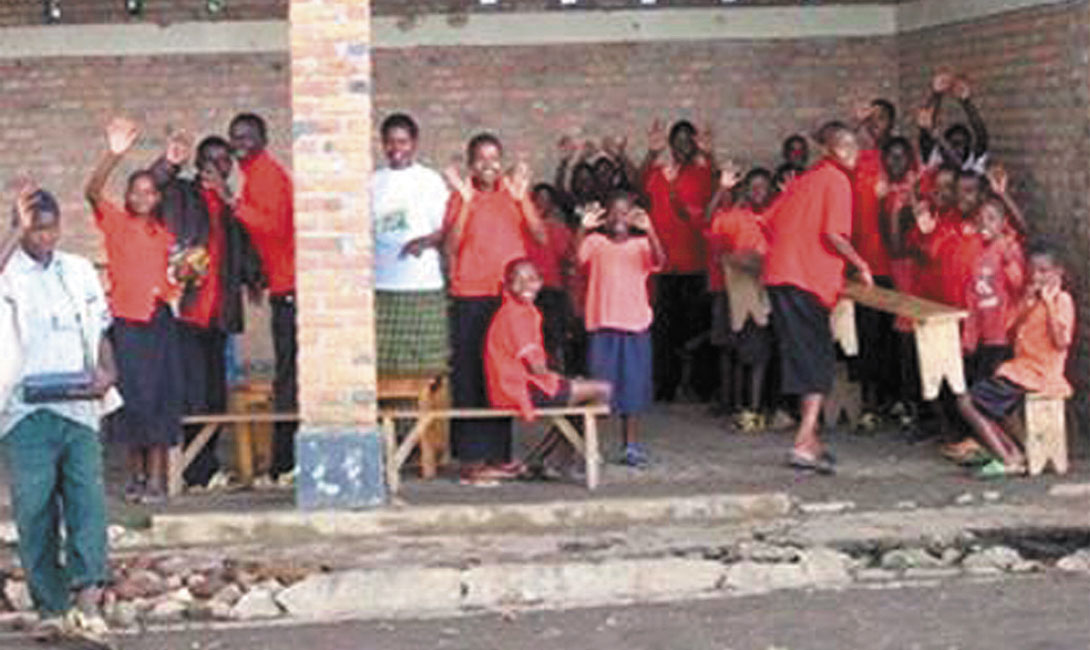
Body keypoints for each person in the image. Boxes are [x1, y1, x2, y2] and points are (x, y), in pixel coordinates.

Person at [1, 187, 117, 648]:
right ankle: (51, 607)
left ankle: (87, 602)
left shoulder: (80, 270)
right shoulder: (9, 272)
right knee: (34, 509)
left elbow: (101, 329)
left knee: (88, 502)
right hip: (25, 411)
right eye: (37, 229)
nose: (46, 237)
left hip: (79, 406)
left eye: (52, 227)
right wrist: (15, 231)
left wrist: (108, 371)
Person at [150, 134, 262, 488]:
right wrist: (168, 162)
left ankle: (204, 466)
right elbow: (151, 186)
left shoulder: (231, 203)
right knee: (191, 393)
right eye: (210, 160)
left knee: (215, 394)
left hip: (220, 314)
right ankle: (192, 469)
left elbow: (245, 244)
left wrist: (255, 277)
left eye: (224, 160)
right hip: (185, 311)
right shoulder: (180, 194)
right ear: (198, 164)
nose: (217, 166)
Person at [763, 121, 873, 474]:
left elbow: (769, 221)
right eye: (847, 147)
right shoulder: (837, 181)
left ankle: (810, 438)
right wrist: (860, 265)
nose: (854, 155)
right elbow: (834, 235)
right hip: (805, 280)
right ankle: (803, 442)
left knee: (805, 358)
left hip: (780, 276)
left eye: (856, 147)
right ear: (831, 150)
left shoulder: (806, 180)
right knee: (818, 363)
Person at [85, 117, 182, 504]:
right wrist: (114, 153)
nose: (142, 196)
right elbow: (91, 191)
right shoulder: (116, 224)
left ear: (158, 197)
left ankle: (156, 481)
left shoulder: (166, 236)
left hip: (157, 323)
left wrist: (182, 278)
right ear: (128, 196)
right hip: (126, 323)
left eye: (149, 191)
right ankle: (136, 478)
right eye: (135, 190)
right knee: (130, 400)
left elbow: (172, 283)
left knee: (158, 400)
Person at [443, 132, 545, 484]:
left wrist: (522, 200)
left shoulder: (512, 194)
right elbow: (451, 246)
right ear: (471, 164)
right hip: (471, 295)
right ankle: (471, 461)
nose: (489, 165)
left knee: (502, 375)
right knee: (471, 375)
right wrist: (468, 202)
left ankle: (499, 456)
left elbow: (540, 236)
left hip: (506, 298)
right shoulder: (461, 197)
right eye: (481, 159)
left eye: (494, 158)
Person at [482, 258, 611, 484]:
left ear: (541, 282)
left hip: (517, 385)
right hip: (518, 389)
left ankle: (551, 459)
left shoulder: (521, 310)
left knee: (580, 400)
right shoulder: (516, 314)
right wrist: (563, 380)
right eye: (517, 280)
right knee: (602, 390)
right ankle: (565, 457)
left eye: (531, 279)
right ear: (507, 285)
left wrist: (565, 382)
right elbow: (535, 367)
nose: (525, 286)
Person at [956, 240, 1073, 477]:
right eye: (1033, 272)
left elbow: (1061, 341)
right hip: (1021, 369)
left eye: (1043, 272)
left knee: (966, 402)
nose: (1037, 277)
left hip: (1040, 373)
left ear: (1058, 273)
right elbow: (1009, 330)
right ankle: (1023, 450)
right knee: (1002, 408)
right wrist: (1025, 304)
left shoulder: (1062, 301)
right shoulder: (1029, 300)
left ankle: (1006, 457)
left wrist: (1049, 304)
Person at [228, 112, 297, 484]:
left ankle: (284, 465)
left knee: (288, 379)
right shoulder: (255, 175)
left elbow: (274, 226)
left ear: (263, 139)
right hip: (280, 285)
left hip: (292, 289)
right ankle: (282, 463)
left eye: (247, 136)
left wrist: (233, 204)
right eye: (235, 137)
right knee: (285, 376)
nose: (240, 143)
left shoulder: (267, 174)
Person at [576, 191, 665, 467]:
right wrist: (582, 227)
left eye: (625, 212)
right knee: (600, 390)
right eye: (613, 212)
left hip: (635, 327)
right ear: (604, 216)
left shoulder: (641, 245)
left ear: (634, 217)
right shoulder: (595, 242)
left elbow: (661, 261)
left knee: (633, 391)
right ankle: (593, 447)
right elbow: (574, 258)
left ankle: (631, 445)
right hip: (603, 326)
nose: (619, 218)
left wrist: (650, 230)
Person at [641, 119, 716, 401]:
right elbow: (638, 185)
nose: (683, 146)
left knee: (697, 330)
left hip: (695, 264)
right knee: (664, 330)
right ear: (671, 144)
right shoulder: (659, 172)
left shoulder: (701, 172)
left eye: (689, 140)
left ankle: (701, 387)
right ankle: (666, 386)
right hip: (664, 264)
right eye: (679, 141)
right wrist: (650, 152)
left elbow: (719, 186)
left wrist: (709, 153)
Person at [372, 113, 451, 379]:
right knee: (386, 365)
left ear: (414, 143)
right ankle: (390, 422)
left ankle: (425, 422)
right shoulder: (373, 182)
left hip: (421, 285)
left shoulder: (429, 181)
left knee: (424, 366)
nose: (396, 149)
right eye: (390, 142)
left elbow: (446, 229)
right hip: (382, 285)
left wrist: (424, 241)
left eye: (403, 142)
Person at [707, 166, 774, 428]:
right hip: (739, 291)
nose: (758, 191)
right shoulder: (736, 216)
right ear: (745, 190)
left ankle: (758, 407)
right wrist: (722, 190)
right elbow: (710, 220)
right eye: (753, 186)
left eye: (763, 186)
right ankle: (742, 406)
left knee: (762, 352)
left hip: (769, 291)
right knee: (742, 350)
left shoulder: (776, 214)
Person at [852, 98, 901, 416]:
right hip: (865, 264)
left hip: (897, 269)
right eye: (870, 119)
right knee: (867, 336)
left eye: (880, 118)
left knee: (894, 338)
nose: (874, 124)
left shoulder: (901, 160)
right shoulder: (863, 159)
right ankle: (870, 403)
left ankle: (895, 400)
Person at [528, 183, 574, 370]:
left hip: (552, 289)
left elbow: (567, 259)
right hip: (528, 290)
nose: (541, 204)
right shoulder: (522, 226)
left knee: (552, 338)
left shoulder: (560, 229)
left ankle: (552, 376)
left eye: (546, 200)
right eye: (538, 199)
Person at [919, 73, 990, 173]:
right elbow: (926, 129)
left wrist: (966, 102)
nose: (957, 149)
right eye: (953, 143)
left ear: (969, 147)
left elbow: (981, 135)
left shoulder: (973, 164)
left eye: (962, 144)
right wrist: (936, 95)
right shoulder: (934, 160)